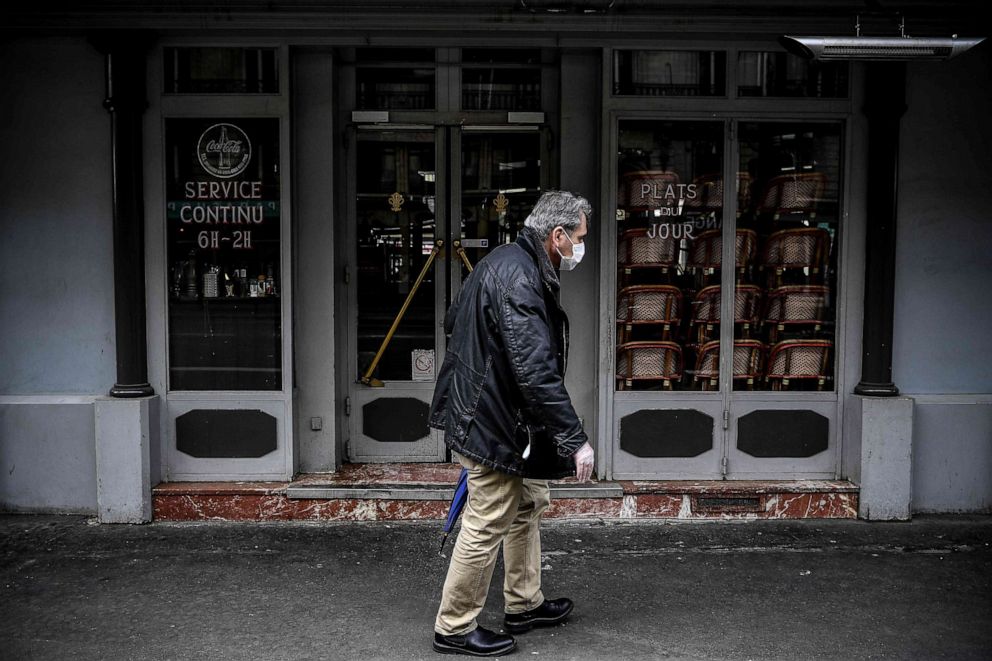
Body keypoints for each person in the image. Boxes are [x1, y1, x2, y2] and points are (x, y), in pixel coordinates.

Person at [429, 190, 596, 657]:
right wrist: (575, 439)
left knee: (528, 502)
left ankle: (523, 604)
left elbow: (452, 319)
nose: (581, 247)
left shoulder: (502, 260)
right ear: (557, 235)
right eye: (578, 238)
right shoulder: (520, 278)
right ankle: (454, 626)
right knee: (487, 519)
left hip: (492, 413)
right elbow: (535, 371)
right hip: (492, 421)